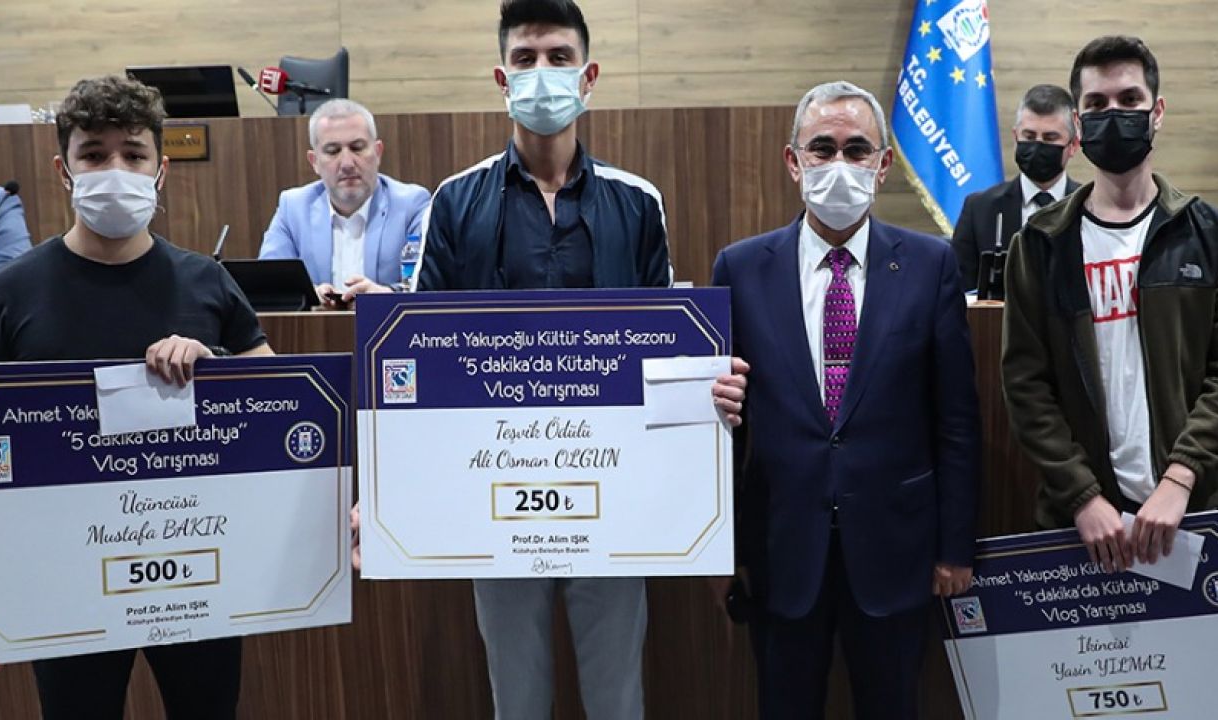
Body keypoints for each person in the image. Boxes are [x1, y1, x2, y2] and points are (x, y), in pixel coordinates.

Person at [401, 1, 738, 717]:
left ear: (589, 77)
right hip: (494, 493)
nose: (542, 73)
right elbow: (418, 356)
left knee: (618, 698)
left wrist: (706, 394)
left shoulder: (637, 201)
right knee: (516, 699)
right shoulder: (453, 203)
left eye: (559, 57)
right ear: (502, 79)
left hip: (612, 490)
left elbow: (663, 345)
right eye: (525, 59)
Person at [0, 74, 273, 717]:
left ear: (160, 169)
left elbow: (277, 411)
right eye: (94, 154)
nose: (114, 169)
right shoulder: (10, 293)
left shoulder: (207, 281)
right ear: (63, 170)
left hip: (194, 564)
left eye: (133, 154)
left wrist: (217, 371)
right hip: (63, 575)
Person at [710, 80, 981, 720]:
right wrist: (727, 548)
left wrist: (955, 548)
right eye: (822, 148)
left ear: (882, 165)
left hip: (896, 547)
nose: (839, 164)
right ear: (793, 161)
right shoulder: (741, 268)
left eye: (857, 150)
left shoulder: (931, 265)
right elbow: (728, 425)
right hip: (781, 551)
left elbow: (956, 421)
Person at [1002, 36, 1218, 575]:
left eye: (1129, 99)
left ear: (1156, 111)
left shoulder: (1207, 232)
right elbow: (1026, 386)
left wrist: (1180, 477)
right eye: (1097, 104)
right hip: (1080, 526)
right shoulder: (1041, 244)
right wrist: (1082, 496)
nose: (1113, 114)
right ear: (1078, 123)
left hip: (1186, 517)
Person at [258, 98, 431, 307]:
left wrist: (386, 296)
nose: (347, 164)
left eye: (357, 148)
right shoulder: (293, 207)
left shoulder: (412, 205)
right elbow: (270, 287)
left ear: (378, 152)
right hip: (317, 327)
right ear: (314, 162)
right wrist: (309, 295)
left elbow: (429, 285)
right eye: (333, 151)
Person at [951, 83, 1080, 292]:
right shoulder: (979, 209)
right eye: (1029, 137)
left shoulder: (1089, 206)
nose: (1037, 145)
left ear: (1073, 145)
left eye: (1050, 138)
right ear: (1016, 137)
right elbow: (959, 290)